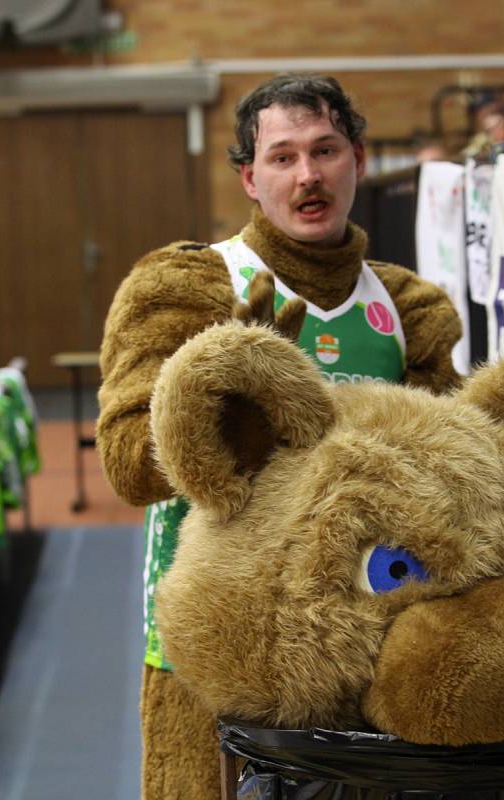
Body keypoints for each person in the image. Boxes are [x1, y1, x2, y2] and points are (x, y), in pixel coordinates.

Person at [96, 73, 462, 800]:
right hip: (212, 641)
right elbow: (129, 466)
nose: (307, 175)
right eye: (283, 157)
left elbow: (447, 476)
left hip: (362, 638)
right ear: (248, 178)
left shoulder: (407, 304)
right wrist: (233, 412)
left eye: (325, 150)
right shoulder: (188, 284)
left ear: (357, 159)